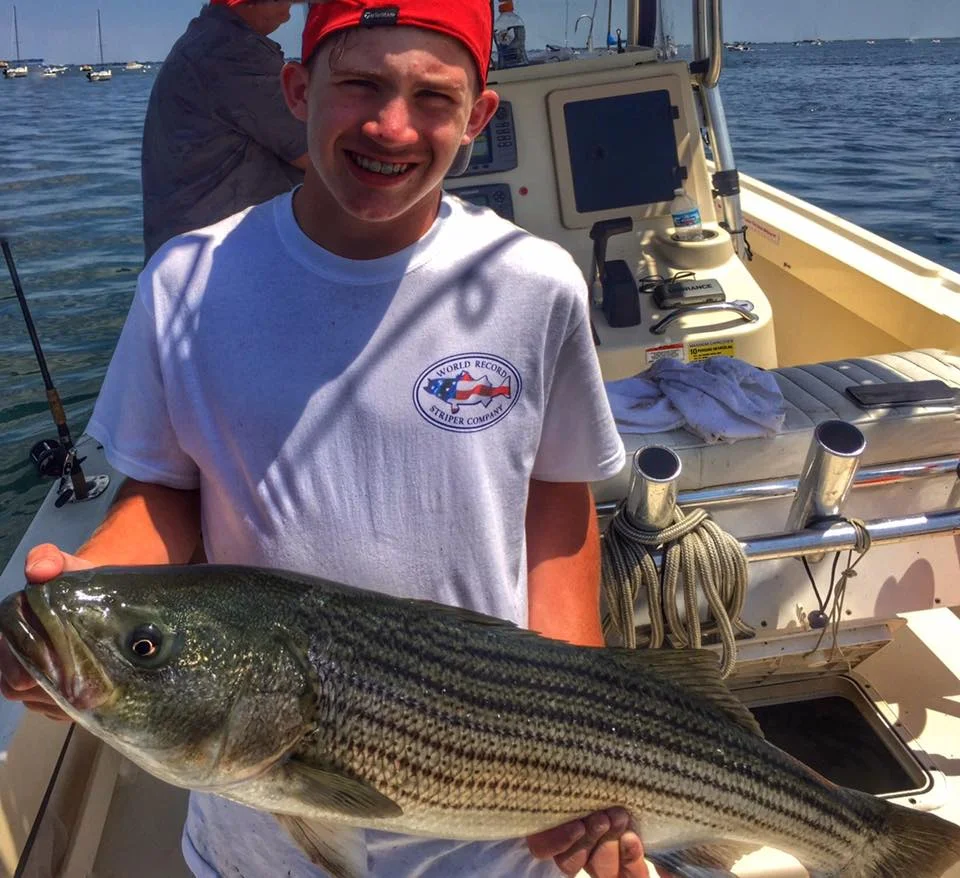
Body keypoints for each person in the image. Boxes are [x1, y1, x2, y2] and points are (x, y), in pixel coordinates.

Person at [0, 0, 650, 875]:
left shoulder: (535, 283)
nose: (392, 126)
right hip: (254, 829)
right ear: (297, 89)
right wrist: (94, 594)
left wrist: (577, 731)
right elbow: (167, 489)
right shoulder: (187, 280)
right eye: (360, 85)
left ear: (479, 118)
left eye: (433, 97)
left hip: (494, 803)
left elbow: (554, 497)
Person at [141, 0, 310, 260]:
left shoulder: (205, 40)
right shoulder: (233, 52)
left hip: (188, 255)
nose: (288, 15)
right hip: (215, 263)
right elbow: (317, 155)